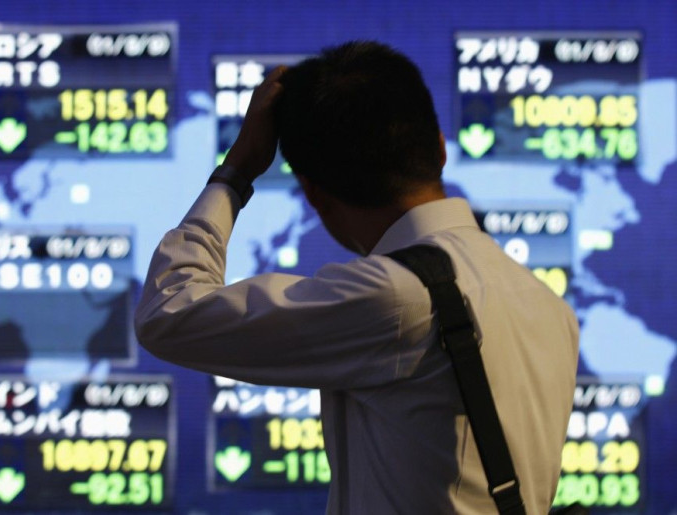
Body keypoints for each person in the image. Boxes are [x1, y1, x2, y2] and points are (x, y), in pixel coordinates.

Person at [135, 41, 579, 514]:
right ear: (441, 150)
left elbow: (169, 311)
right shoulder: (551, 308)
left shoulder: (395, 300)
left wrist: (235, 173)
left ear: (315, 195)